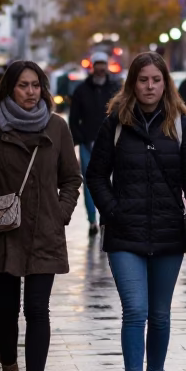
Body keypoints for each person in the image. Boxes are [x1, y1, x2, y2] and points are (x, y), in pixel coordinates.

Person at [85, 52, 186, 371]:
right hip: (125, 234)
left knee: (159, 314)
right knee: (135, 310)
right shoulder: (115, 123)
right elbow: (95, 175)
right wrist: (112, 211)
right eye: (143, 80)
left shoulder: (181, 125)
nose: (149, 87)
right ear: (132, 83)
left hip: (169, 232)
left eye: (156, 80)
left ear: (165, 83)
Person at [0, 60, 82, 371]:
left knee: (37, 310)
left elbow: (72, 179)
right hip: (3, 233)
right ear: (8, 89)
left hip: (44, 231)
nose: (30, 92)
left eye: (35, 86)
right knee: (6, 310)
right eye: (23, 86)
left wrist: (60, 213)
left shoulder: (57, 127)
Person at [69, 51, 121, 237]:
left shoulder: (116, 89)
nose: (100, 68)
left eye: (103, 64)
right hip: (88, 145)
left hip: (113, 144)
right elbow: (74, 119)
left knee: (114, 181)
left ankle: (108, 217)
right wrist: (81, 139)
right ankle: (92, 220)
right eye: (97, 64)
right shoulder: (81, 90)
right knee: (90, 182)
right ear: (92, 67)